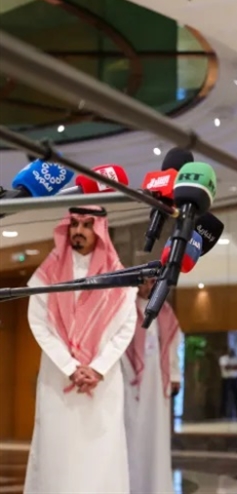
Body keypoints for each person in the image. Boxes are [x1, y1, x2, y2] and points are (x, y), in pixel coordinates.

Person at [24, 206, 137, 494]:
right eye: (74, 224)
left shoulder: (118, 276)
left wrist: (97, 368)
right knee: (56, 453)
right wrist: (70, 367)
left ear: (99, 230)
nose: (78, 231)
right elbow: (38, 322)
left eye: (87, 225)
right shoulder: (47, 274)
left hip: (102, 383)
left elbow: (126, 326)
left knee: (101, 456)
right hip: (58, 378)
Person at [122, 276, 183, 494]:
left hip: (158, 380)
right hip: (131, 381)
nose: (149, 286)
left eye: (153, 282)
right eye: (145, 282)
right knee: (133, 433)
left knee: (156, 435)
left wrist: (174, 375)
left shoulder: (164, 311)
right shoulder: (126, 308)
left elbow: (174, 344)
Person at [219, 348, 237, 418]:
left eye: (233, 351)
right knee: (225, 396)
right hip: (226, 379)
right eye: (230, 351)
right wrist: (235, 366)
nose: (231, 352)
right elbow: (226, 367)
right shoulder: (223, 358)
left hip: (235, 378)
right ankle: (223, 413)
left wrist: (232, 367)